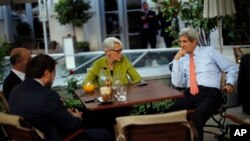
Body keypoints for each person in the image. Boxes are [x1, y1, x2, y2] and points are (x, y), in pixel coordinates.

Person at [8, 54, 111, 141]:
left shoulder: (16, 91)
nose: (53, 78)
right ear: (47, 73)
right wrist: (77, 117)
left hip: (39, 134)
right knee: (104, 133)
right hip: (60, 137)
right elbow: (73, 126)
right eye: (54, 74)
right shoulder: (47, 96)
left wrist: (63, 111)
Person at [170, 27, 239, 141]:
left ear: (194, 41)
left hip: (210, 93)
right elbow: (178, 83)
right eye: (180, 42)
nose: (181, 45)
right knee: (175, 112)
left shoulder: (209, 51)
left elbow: (231, 67)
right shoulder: (182, 59)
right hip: (190, 93)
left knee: (199, 114)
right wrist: (176, 60)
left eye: (185, 41)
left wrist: (230, 83)